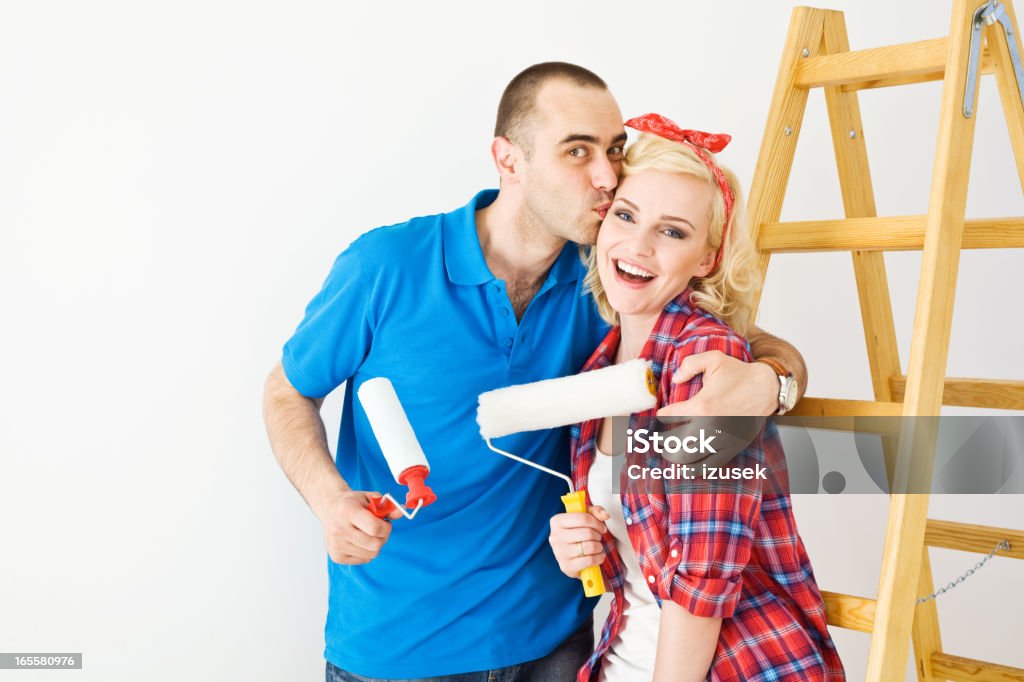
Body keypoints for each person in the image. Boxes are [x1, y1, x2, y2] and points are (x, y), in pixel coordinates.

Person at [262, 64, 808, 681]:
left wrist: (770, 384)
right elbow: (287, 391)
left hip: (554, 650)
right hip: (395, 650)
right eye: (577, 151)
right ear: (508, 159)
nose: (605, 177)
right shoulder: (385, 266)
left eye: (614, 150)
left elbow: (745, 344)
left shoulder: (609, 278)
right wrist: (330, 500)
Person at [547, 114, 844, 682]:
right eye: (627, 216)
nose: (638, 245)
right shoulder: (600, 366)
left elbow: (702, 580)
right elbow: (642, 563)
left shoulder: (703, 366)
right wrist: (583, 545)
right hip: (622, 658)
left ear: (706, 259)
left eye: (673, 231)